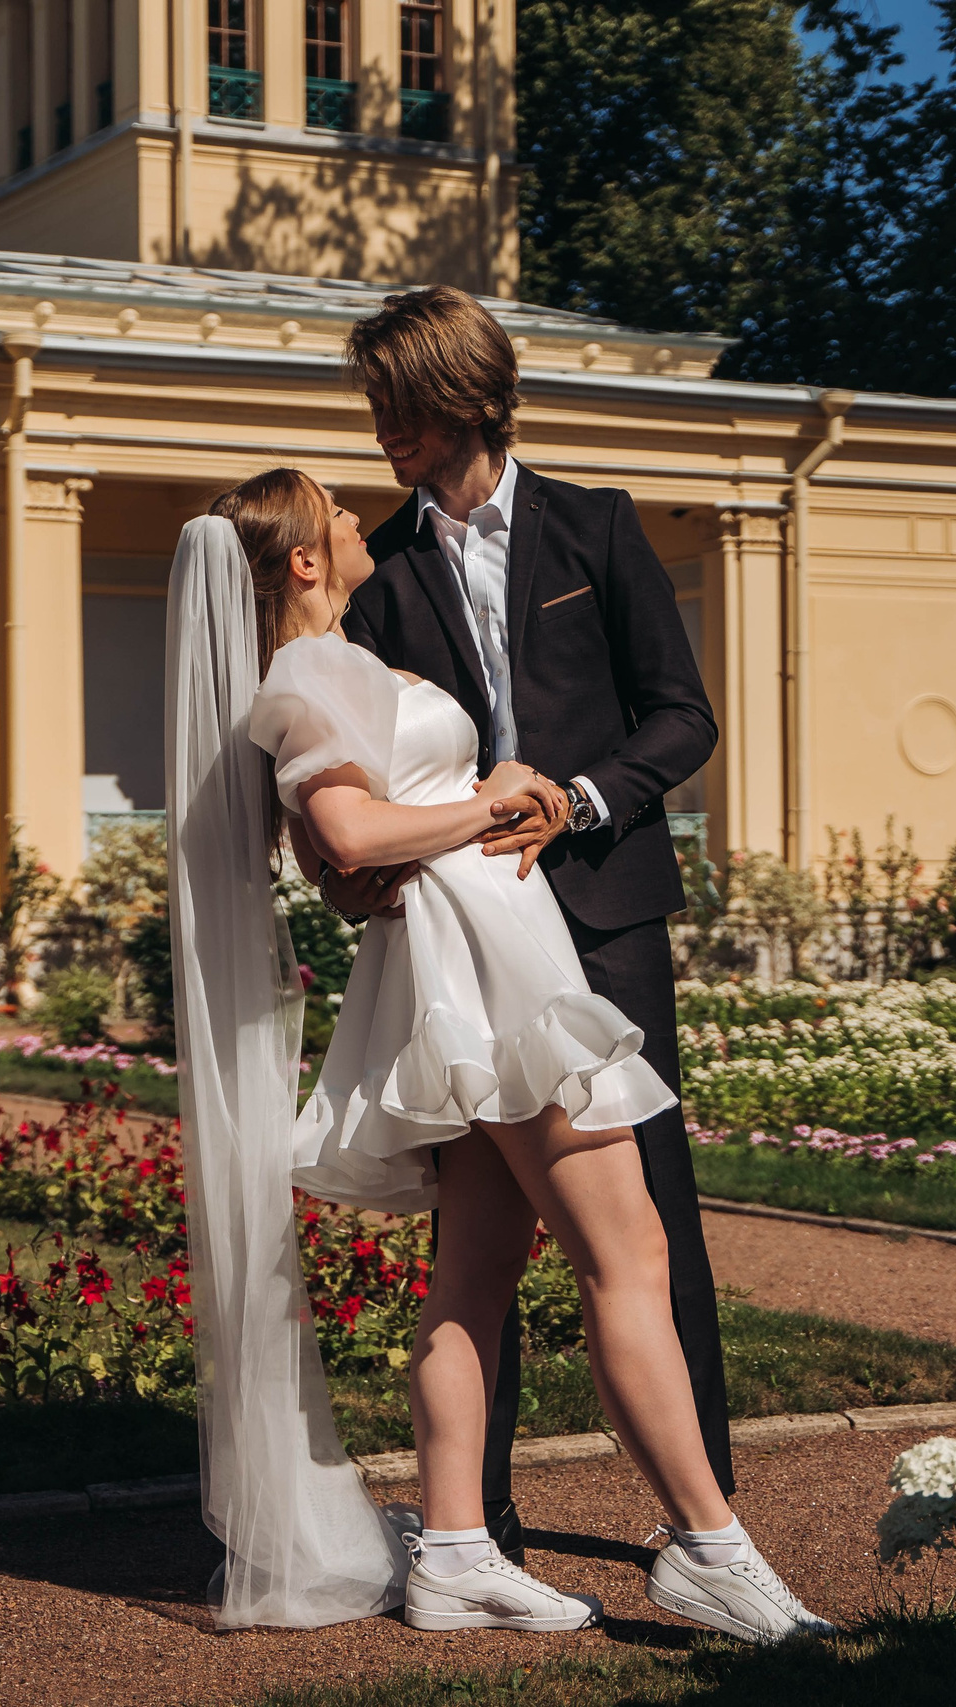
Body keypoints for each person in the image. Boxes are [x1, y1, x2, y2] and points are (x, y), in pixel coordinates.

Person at [165, 466, 831, 1642]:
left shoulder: (331, 664)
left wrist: (446, 818)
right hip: (489, 973)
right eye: (333, 510)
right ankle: (707, 1550)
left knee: (472, 1278)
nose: (357, 513)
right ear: (306, 564)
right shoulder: (311, 668)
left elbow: (351, 837)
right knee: (627, 1257)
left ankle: (458, 1551)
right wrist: (494, 802)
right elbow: (348, 828)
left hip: (476, 959)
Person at [326, 285, 740, 1570]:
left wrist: (581, 801)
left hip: (605, 918)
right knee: (478, 1239)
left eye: (403, 404)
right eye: (376, 405)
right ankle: (479, 1524)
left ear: (470, 398)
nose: (385, 428)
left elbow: (681, 718)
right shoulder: (380, 578)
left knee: (649, 1221)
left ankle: (705, 1512)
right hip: (460, 935)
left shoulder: (597, 531)